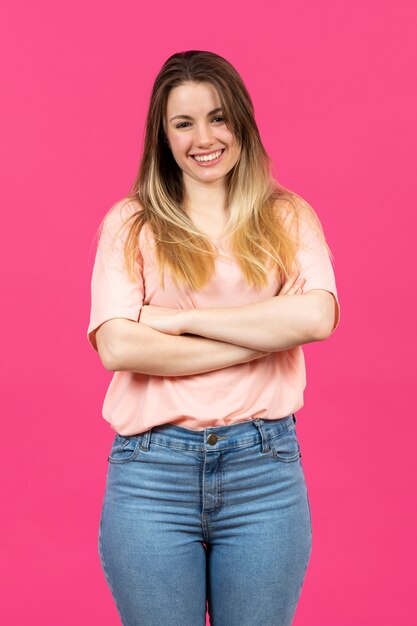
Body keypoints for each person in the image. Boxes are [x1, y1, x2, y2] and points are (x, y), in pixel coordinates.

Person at [86, 50, 340, 626]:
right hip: (151, 474)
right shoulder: (131, 224)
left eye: (218, 117)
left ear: (242, 122)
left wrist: (177, 320)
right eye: (184, 123)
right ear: (164, 135)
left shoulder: (288, 217)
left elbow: (318, 319)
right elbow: (119, 347)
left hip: (264, 471)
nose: (205, 137)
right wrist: (266, 332)